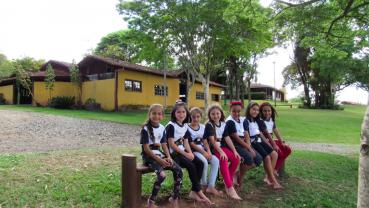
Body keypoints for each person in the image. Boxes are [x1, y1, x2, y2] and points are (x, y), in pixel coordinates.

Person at [166, 101, 212, 205]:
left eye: (183, 112)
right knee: (187, 167)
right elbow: (172, 144)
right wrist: (186, 154)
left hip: (183, 151)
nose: (181, 114)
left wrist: (190, 153)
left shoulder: (185, 125)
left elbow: (186, 141)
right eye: (178, 112)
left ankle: (194, 191)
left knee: (200, 163)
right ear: (174, 113)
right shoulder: (171, 125)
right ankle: (175, 196)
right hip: (173, 153)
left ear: (186, 114)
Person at [140, 104, 183, 208]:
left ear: (162, 116)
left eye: (159, 114)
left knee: (179, 171)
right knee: (162, 176)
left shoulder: (162, 127)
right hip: (149, 157)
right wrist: (159, 160)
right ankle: (151, 202)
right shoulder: (145, 129)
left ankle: (174, 198)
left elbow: (164, 145)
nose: (156, 116)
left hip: (160, 155)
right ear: (149, 114)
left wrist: (168, 157)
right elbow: (146, 149)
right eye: (154, 113)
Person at [204, 103, 242, 200]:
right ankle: (230, 188)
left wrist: (234, 151)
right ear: (209, 115)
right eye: (213, 114)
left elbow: (227, 137)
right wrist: (221, 152)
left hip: (221, 146)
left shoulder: (224, 124)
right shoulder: (209, 125)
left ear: (221, 113)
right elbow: (212, 141)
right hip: (213, 148)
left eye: (217, 113)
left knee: (236, 159)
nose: (216, 116)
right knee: (223, 159)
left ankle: (227, 181)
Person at [244, 102, 283, 190]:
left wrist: (269, 144)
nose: (255, 112)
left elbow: (261, 134)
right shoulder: (246, 121)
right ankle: (273, 181)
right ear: (249, 110)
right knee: (267, 158)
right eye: (253, 109)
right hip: (253, 142)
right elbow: (247, 135)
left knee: (274, 154)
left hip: (260, 141)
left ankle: (269, 177)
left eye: (257, 110)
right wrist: (249, 147)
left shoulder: (257, 120)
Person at [225, 101, 262, 189]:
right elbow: (236, 138)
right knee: (249, 158)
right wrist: (248, 147)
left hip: (244, 143)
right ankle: (240, 178)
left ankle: (238, 173)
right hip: (234, 145)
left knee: (258, 159)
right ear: (230, 110)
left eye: (238, 111)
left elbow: (246, 134)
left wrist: (249, 147)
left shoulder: (243, 120)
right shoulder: (229, 121)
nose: (236, 113)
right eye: (234, 111)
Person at [188, 107, 222, 196]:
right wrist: (203, 152)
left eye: (198, 117)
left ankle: (211, 186)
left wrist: (208, 151)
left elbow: (205, 141)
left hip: (203, 150)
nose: (195, 119)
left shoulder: (203, 127)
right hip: (194, 151)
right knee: (204, 162)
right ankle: (203, 184)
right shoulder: (187, 127)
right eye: (193, 117)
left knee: (215, 160)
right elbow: (191, 144)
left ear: (201, 117)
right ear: (190, 117)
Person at [260, 102, 292, 174]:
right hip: (264, 142)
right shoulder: (260, 121)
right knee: (278, 153)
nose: (267, 113)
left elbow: (275, 131)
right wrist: (273, 144)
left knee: (287, 149)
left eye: (269, 111)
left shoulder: (271, 120)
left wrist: (281, 142)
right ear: (261, 111)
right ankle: (269, 174)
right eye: (264, 111)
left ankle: (275, 170)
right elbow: (261, 136)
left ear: (271, 111)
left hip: (271, 141)